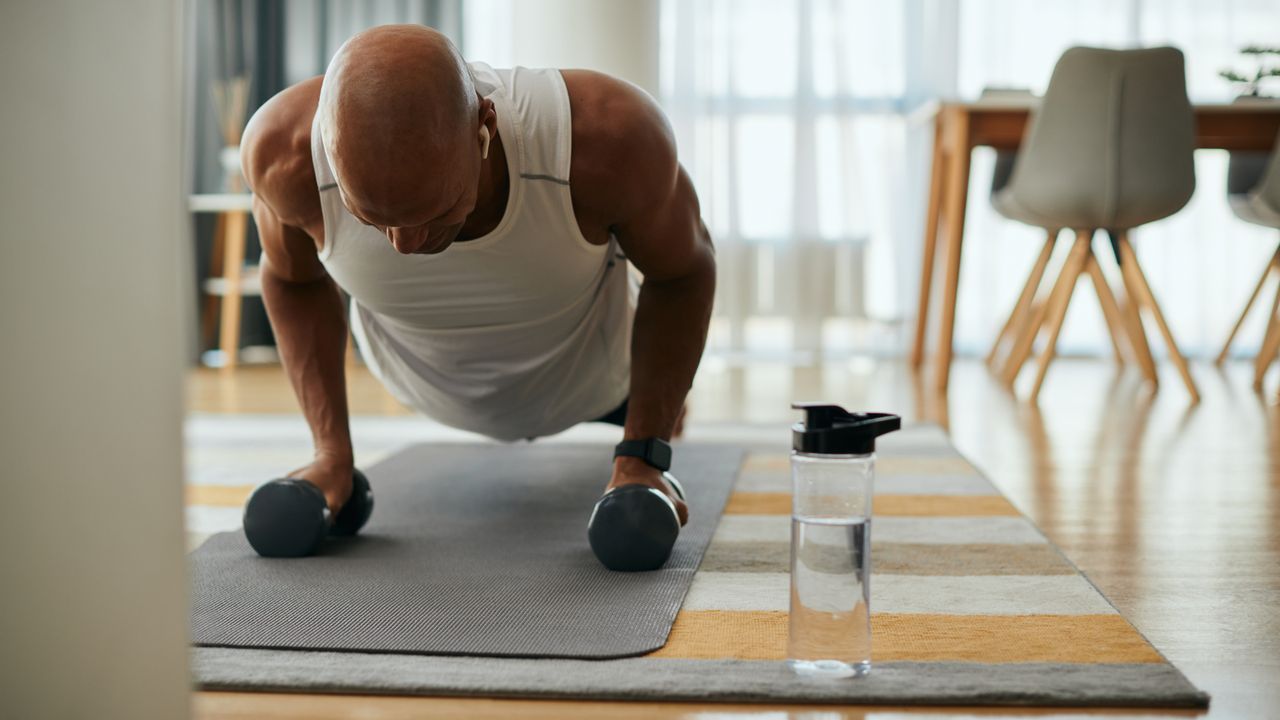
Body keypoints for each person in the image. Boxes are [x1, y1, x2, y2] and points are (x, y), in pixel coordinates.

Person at [238, 24, 715, 564]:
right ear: (325, 145)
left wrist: (644, 454)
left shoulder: (607, 137)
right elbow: (289, 279)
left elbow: (684, 272)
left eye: (433, 214)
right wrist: (331, 452)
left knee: (652, 421)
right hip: (423, 382)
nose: (405, 246)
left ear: (485, 127)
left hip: (595, 378)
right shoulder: (285, 151)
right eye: (371, 218)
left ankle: (651, 415)